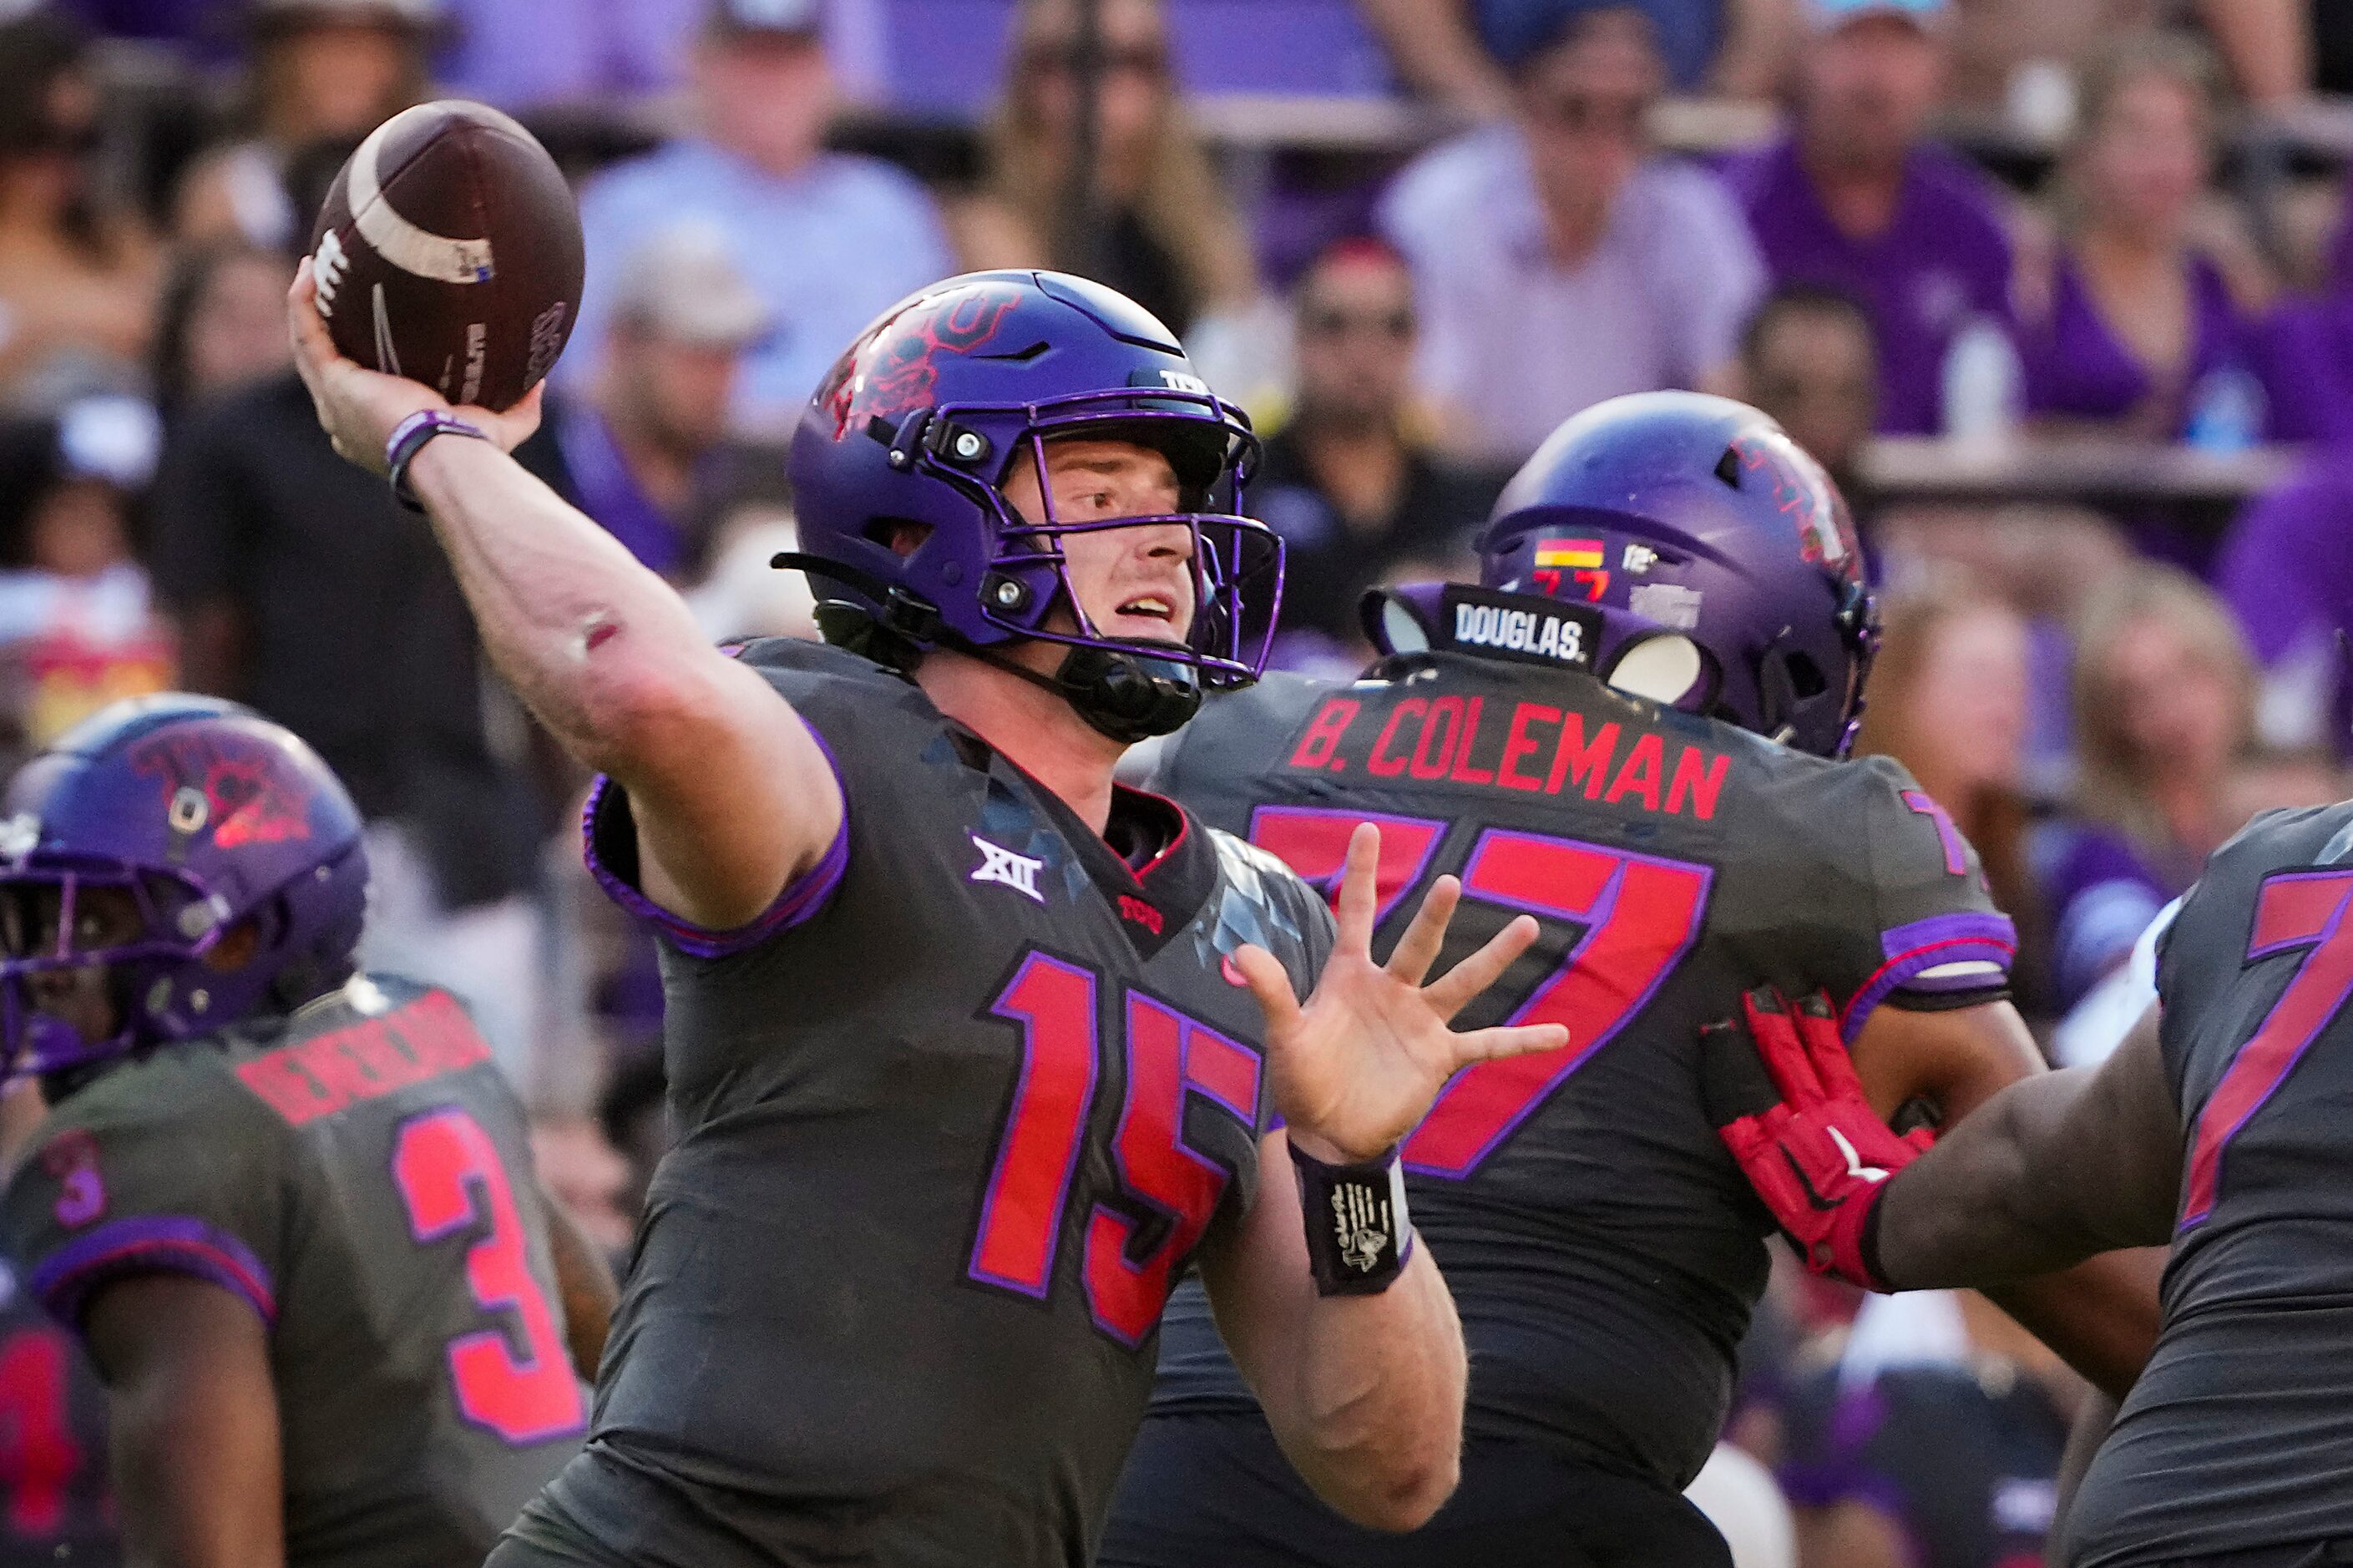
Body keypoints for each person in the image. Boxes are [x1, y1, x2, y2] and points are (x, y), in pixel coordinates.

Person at [291, 257, 1576, 1565]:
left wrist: (1356, 1178)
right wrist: (437, 444)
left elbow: (1393, 1466)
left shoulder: (1270, 932)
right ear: (917, 522)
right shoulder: (838, 747)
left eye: (1174, 501)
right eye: (1098, 489)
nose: (1165, 541)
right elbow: (635, 685)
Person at [1099, 392, 2157, 1568]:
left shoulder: (1229, 741)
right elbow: (2136, 1318)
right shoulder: (1819, 839)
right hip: (1548, 1505)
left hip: (1157, 1484)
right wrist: (1895, 1218)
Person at [0, 694, 615, 1566]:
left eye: (94, 922)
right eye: (36, 923)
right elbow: (611, 1340)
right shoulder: (427, 1031)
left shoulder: (153, 1139)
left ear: (239, 934)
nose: (50, 970)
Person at [1701, 780, 2353, 1565]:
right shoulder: (2274, 871)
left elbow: (2042, 1168)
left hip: (2151, 1527)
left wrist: (1872, 1211)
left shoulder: (2281, 869)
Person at [1380, 5, 1764, 464]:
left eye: (1629, 114)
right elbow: (1426, 412)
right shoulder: (1443, 206)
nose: (1604, 140)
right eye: (1576, 111)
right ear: (1526, 97)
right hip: (1477, 502)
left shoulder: (1689, 213)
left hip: (1640, 505)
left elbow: (1733, 402)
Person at [564, 0, 955, 435]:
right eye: (749, 60)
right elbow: (580, 380)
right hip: (697, 462)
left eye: (790, 59)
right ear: (700, 64)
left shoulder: (890, 207)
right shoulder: (626, 202)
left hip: (864, 462)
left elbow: (943, 375)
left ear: (825, 71)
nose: (772, 83)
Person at [1723, 0, 2016, 436]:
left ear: (1939, 63)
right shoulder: (1727, 207)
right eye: (1853, 42)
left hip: (1932, 499)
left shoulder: (1975, 226)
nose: (1877, 75)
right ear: (1805, 51)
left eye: (1901, 46)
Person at [2018, 35, 2270, 445]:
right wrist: (2114, 443)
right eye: (2136, 133)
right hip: (2066, 503)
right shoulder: (2039, 275)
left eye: (2180, 134)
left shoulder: (2229, 278)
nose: (2160, 160)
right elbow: (2002, 434)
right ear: (2083, 151)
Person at [1252, 237, 1499, 655]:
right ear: (1295, 336)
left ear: (1416, 341)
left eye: (1393, 326)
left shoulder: (1469, 503)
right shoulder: (1240, 491)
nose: (1363, 351)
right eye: (1335, 325)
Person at [965, 0, 1261, 344]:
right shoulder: (984, 229)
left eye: (1129, 59)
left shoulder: (1207, 238)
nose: (1096, 85)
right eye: (1068, 60)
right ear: (1026, 75)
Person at [2032, 565, 2254, 1014]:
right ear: (2109, 723)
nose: (2175, 709)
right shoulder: (2097, 852)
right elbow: (2128, 984)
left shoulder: (2305, 794)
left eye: (2189, 671)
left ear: (2230, 666)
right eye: (2137, 694)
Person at [1853, 584, 2053, 1019]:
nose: (2008, 710)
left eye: (2017, 681)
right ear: (1899, 694)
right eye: (1981, 681)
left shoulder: (2014, 852)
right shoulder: (1856, 855)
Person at [554, 225, 773, 584]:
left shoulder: (753, 482)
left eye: (731, 355)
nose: (719, 380)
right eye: (697, 354)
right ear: (622, 344)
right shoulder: (537, 462)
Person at [173, 0, 439, 252]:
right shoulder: (231, 190)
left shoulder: (439, 177)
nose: (345, 69)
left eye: (366, 49)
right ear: (283, 62)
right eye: (325, 49)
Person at [0, 11, 159, 407]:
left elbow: (162, 325)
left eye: (82, 141)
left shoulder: (115, 234)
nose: (59, 165)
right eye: (37, 138)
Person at [1353, 0, 1792, 111]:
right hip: (1501, 154)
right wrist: (1502, 126)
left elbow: (1771, 25)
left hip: (1682, 151)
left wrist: (1713, 121)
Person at [1738, 285, 1880, 516]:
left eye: (1843, 396)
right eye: (1788, 394)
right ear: (1744, 393)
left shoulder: (1900, 550)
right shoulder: (1680, 545)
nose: (1818, 423)